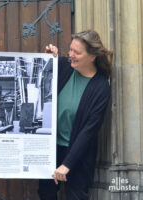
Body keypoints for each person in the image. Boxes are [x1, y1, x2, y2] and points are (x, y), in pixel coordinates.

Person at [38, 30, 112, 200]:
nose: (70, 55)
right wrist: (50, 58)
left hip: (78, 155)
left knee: (76, 196)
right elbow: (42, 81)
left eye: (76, 52)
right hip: (51, 149)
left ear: (92, 56)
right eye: (70, 50)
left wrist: (67, 164)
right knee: (46, 194)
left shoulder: (101, 87)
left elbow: (89, 131)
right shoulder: (65, 66)